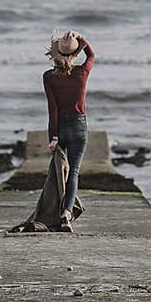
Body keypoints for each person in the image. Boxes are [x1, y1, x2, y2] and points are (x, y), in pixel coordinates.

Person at [43, 29, 94, 232]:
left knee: (58, 171)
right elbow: (91, 55)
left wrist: (53, 137)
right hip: (79, 126)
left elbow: (52, 109)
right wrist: (80, 38)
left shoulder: (48, 77)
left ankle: (56, 210)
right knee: (73, 171)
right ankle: (66, 212)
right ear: (74, 55)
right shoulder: (82, 73)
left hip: (60, 128)